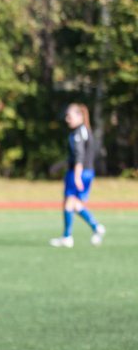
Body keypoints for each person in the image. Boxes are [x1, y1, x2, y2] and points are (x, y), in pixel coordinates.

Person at [50, 102, 105, 248]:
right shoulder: (84, 130)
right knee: (74, 204)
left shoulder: (79, 133)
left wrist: (76, 175)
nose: (67, 119)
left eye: (70, 116)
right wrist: (60, 165)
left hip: (78, 172)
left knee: (69, 203)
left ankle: (67, 237)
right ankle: (96, 227)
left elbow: (80, 155)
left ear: (80, 116)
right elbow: (77, 156)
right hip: (86, 172)